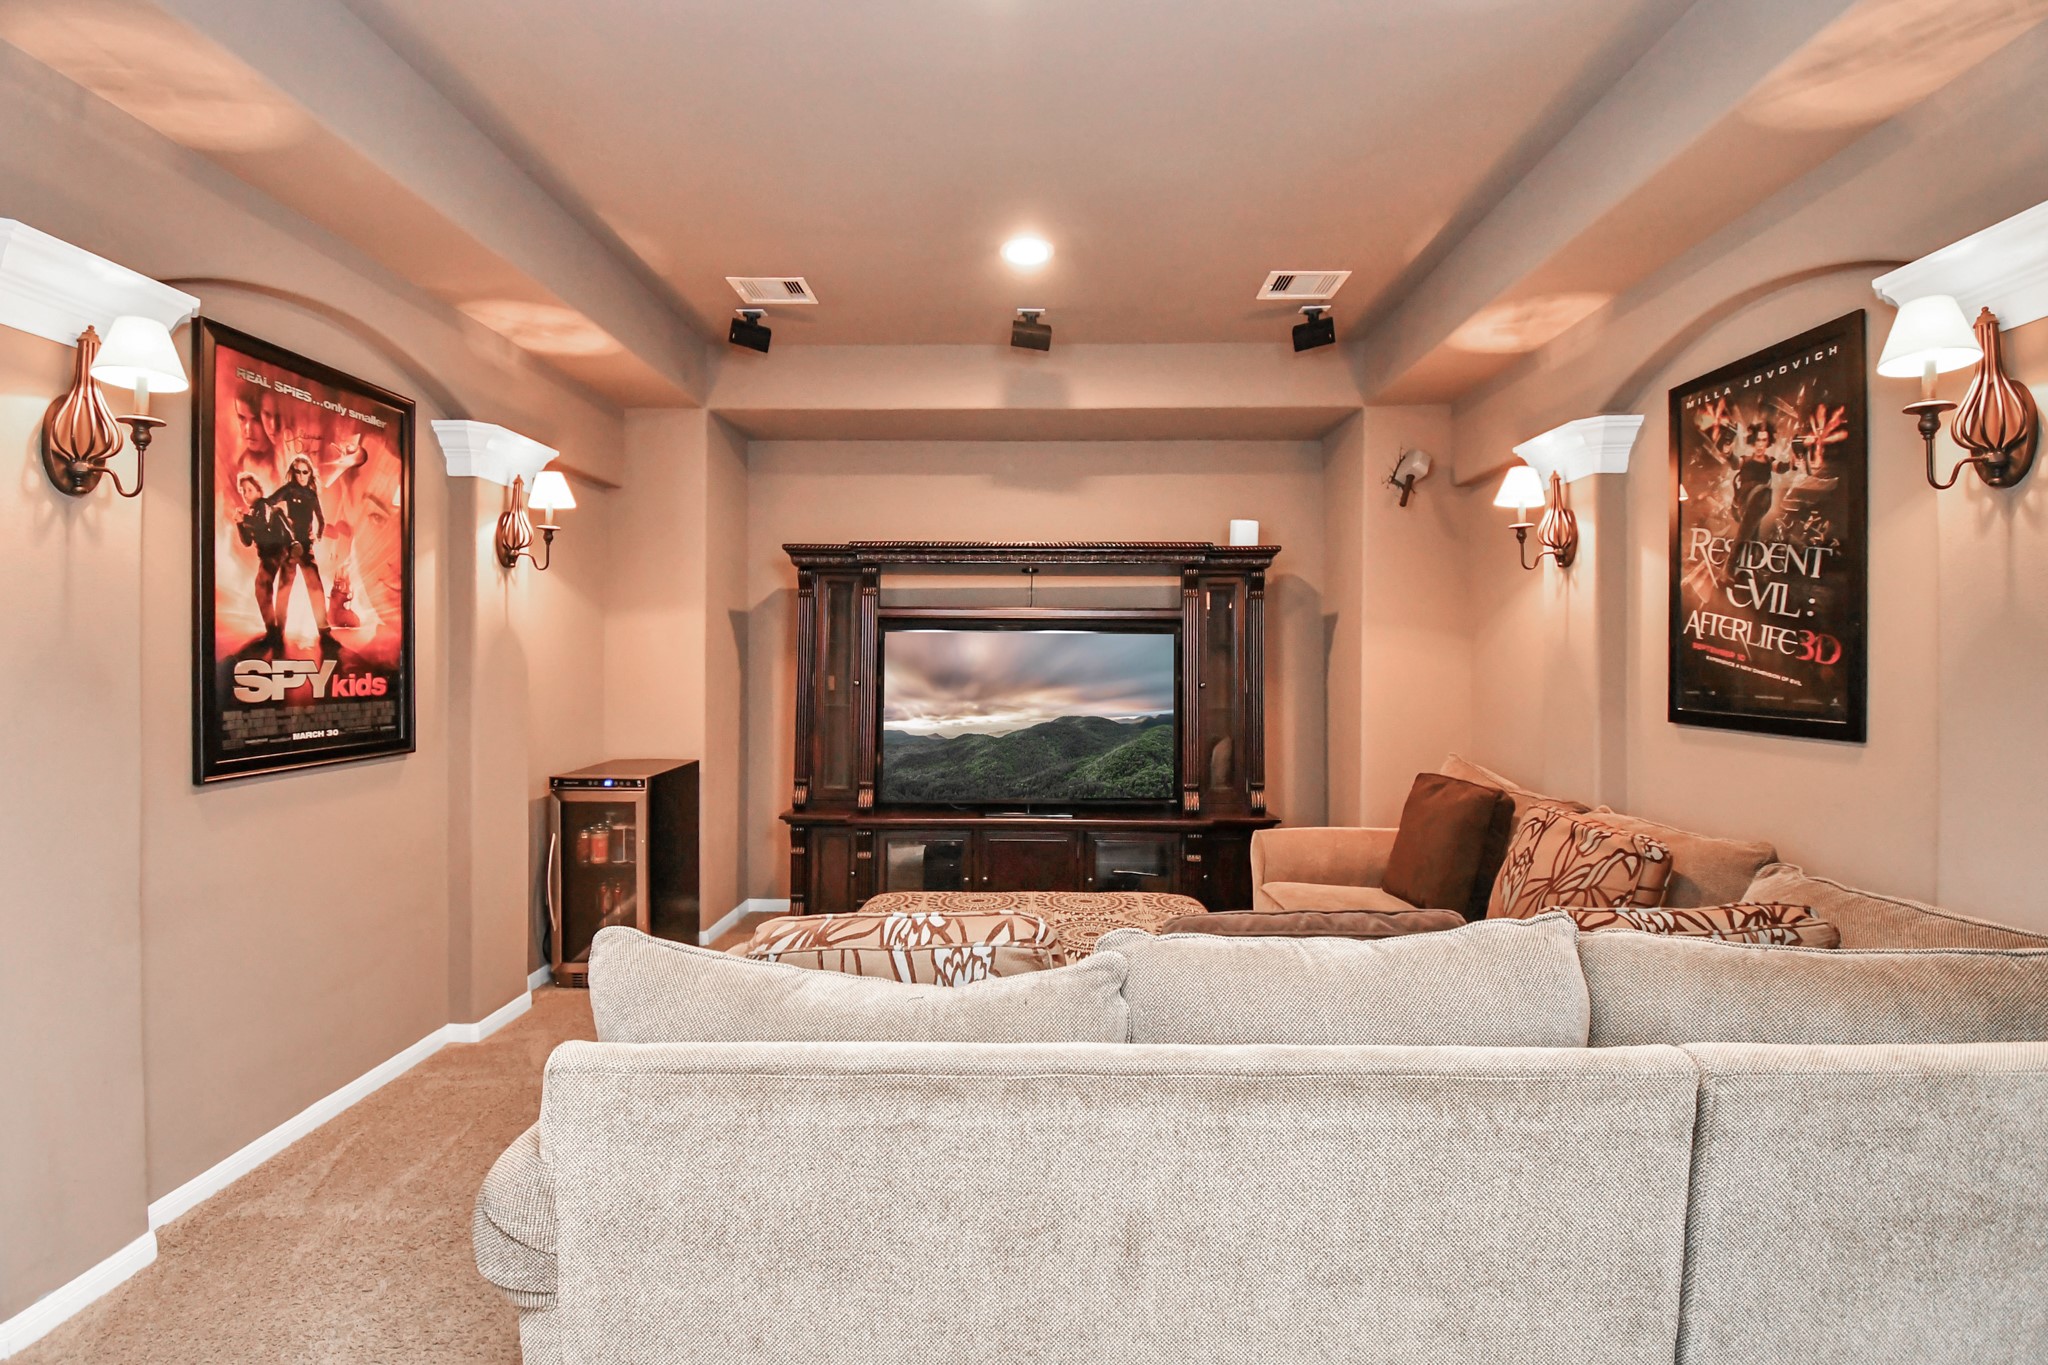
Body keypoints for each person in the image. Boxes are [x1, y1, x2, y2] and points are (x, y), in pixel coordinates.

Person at [268, 447, 335, 649]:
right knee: (283, 589)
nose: (301, 475)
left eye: (305, 471)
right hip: (289, 546)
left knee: (315, 588)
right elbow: (271, 502)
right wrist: (278, 520)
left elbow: (321, 520)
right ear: (293, 472)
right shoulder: (289, 489)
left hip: (306, 547)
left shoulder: (312, 495)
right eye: (297, 471)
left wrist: (318, 534)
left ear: (310, 473)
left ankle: (323, 630)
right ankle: (278, 631)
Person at [235, 473, 291, 643]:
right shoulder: (253, 512)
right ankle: (275, 633)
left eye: (250, 490)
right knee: (267, 591)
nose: (246, 494)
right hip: (271, 554)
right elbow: (247, 541)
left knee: (263, 588)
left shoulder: (264, 505)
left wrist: (244, 519)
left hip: (278, 551)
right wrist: (239, 523)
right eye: (243, 491)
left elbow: (263, 524)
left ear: (259, 491)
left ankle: (273, 633)